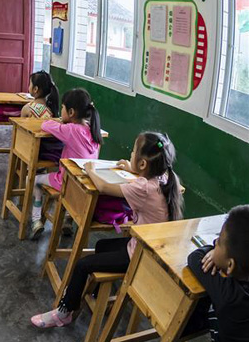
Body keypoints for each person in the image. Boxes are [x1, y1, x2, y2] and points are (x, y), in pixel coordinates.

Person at [30, 132, 183, 328]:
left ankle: (64, 313)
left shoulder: (144, 188)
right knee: (102, 245)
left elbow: (102, 186)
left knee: (82, 265)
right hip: (149, 250)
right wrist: (132, 168)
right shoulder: (166, 177)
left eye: (133, 151)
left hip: (140, 257)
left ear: (143, 164)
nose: (131, 154)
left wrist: (90, 169)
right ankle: (96, 293)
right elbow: (143, 182)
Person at [143, 205, 249, 342]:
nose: (215, 243)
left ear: (230, 266)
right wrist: (220, 250)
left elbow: (195, 258)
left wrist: (210, 250)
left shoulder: (231, 297)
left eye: (219, 242)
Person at [29, 88, 103, 240]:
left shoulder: (71, 130)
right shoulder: (94, 130)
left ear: (71, 112)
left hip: (67, 184)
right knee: (69, 180)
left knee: (34, 180)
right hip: (85, 184)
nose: (61, 110)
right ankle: (68, 220)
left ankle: (36, 221)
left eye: (62, 107)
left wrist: (57, 121)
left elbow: (45, 125)